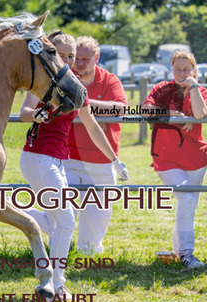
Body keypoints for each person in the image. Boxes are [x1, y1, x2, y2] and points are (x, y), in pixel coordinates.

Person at [19, 31, 129, 299]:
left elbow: (93, 127)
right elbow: (24, 113)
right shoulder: (42, 81)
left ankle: (3, 206)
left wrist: (114, 160)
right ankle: (56, 284)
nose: (68, 60)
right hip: (39, 157)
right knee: (66, 221)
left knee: (58, 222)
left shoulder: (76, 87)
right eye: (62, 55)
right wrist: (38, 114)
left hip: (57, 160)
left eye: (71, 56)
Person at [142, 51, 207, 269]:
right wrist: (171, 114)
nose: (181, 73)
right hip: (166, 159)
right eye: (177, 69)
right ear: (172, 69)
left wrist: (194, 86)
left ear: (194, 71)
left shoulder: (201, 91)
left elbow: (200, 114)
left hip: (196, 159)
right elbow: (146, 110)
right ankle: (187, 255)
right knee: (186, 199)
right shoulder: (162, 89)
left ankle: (179, 252)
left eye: (186, 69)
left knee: (188, 205)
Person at [67, 36, 128, 255]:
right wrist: (98, 111)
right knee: (61, 210)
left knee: (98, 215)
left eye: (85, 59)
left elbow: (120, 109)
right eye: (76, 58)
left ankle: (89, 254)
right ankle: (58, 251)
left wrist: (84, 103)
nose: (79, 63)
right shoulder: (67, 78)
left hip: (101, 159)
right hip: (68, 157)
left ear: (97, 58)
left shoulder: (109, 80)